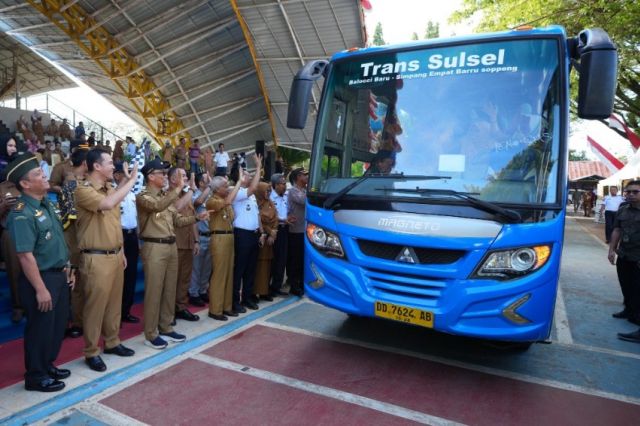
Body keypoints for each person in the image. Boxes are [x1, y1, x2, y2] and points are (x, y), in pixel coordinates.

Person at [5, 153, 74, 392]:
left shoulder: (48, 204)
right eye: (38, 174)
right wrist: (40, 289)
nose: (44, 175)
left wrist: (67, 266)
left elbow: (56, 241)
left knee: (56, 326)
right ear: (25, 184)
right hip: (41, 278)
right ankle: (35, 375)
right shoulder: (22, 213)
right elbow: (25, 255)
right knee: (40, 328)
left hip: (58, 274)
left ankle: (47, 365)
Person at [75, 149, 139, 372]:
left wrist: (120, 251)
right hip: (95, 257)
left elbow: (114, 223)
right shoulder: (83, 190)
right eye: (110, 163)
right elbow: (106, 205)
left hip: (114, 255)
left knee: (114, 304)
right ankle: (91, 351)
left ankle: (112, 342)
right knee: (95, 308)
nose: (114, 166)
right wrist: (130, 181)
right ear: (96, 167)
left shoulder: (110, 189)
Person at [136, 159, 209, 349]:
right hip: (154, 247)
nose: (165, 177)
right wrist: (179, 189)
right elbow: (157, 206)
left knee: (169, 289)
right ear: (151, 177)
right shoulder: (144, 196)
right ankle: (151, 333)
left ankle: (166, 327)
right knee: (154, 291)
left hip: (170, 245)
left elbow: (177, 219)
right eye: (161, 173)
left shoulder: (164, 195)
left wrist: (196, 217)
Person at [206, 175, 242, 320]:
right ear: (216, 189)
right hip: (219, 237)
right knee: (219, 273)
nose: (227, 189)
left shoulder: (224, 202)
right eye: (225, 186)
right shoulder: (212, 201)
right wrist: (239, 182)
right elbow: (227, 201)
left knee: (228, 272)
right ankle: (215, 309)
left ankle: (226, 307)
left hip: (229, 236)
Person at [609, 180, 640, 344]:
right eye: (629, 192)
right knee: (626, 285)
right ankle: (629, 310)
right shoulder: (622, 209)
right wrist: (612, 249)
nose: (631, 195)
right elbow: (617, 229)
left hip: (638, 257)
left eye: (635, 192)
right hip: (625, 254)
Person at [232, 153, 264, 312]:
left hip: (253, 234)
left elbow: (257, 215)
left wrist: (262, 232)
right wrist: (258, 167)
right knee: (240, 269)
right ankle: (234, 301)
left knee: (251, 268)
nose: (249, 176)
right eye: (245, 174)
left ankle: (247, 297)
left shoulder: (250, 196)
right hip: (241, 235)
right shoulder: (236, 191)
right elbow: (253, 188)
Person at [169, 168, 200, 322]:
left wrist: (196, 240)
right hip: (175, 243)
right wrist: (191, 192)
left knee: (184, 279)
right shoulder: (169, 194)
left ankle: (180, 307)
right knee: (172, 279)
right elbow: (177, 208)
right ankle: (169, 311)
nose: (186, 178)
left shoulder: (187, 195)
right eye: (183, 176)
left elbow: (193, 219)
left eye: (186, 176)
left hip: (187, 243)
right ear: (173, 179)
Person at [113, 162, 140, 324]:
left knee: (130, 276)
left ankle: (125, 311)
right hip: (119, 236)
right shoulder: (114, 192)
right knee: (118, 278)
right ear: (117, 175)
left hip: (132, 236)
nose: (130, 175)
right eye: (125, 173)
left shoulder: (131, 194)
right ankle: (115, 314)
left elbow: (135, 219)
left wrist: (138, 240)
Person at [0, 136, 23, 323]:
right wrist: (3, 206)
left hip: (31, 231)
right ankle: (18, 306)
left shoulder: (28, 185)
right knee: (14, 271)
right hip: (10, 233)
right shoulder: (2, 187)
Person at [189, 172, 212, 307]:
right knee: (196, 268)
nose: (209, 181)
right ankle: (194, 293)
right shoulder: (196, 194)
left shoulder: (210, 195)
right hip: (201, 235)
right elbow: (198, 203)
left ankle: (203, 290)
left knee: (207, 268)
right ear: (201, 183)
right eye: (206, 180)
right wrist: (211, 186)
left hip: (211, 234)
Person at [254, 182, 278, 302]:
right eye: (266, 191)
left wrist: (273, 233)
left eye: (269, 191)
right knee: (258, 267)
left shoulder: (271, 203)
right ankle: (255, 292)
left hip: (270, 240)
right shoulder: (256, 203)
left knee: (268, 266)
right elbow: (259, 221)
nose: (268, 193)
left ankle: (264, 291)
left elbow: (275, 219)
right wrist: (269, 231)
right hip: (260, 238)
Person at [287, 167, 308, 296]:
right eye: (304, 175)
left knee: (302, 259)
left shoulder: (305, 190)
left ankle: (301, 283)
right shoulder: (293, 191)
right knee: (295, 259)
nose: (306, 177)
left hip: (304, 230)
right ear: (298, 177)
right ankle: (294, 285)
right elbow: (304, 201)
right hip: (295, 230)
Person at [269, 173, 290, 297]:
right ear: (276, 185)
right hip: (272, 230)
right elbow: (270, 214)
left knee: (282, 259)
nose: (285, 186)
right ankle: (267, 287)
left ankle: (276, 286)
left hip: (284, 230)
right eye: (282, 184)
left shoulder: (286, 196)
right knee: (272, 259)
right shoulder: (270, 197)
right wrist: (283, 219)